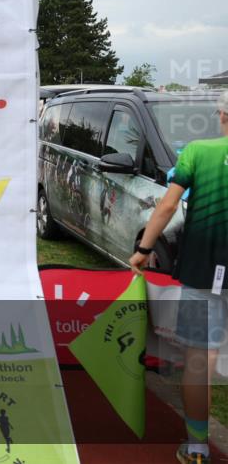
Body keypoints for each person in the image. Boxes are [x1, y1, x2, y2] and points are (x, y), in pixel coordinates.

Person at [130, 90, 228, 464]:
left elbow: (168, 205)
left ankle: (198, 447)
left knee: (199, 361)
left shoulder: (197, 152)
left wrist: (143, 249)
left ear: (221, 114)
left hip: (202, 271)